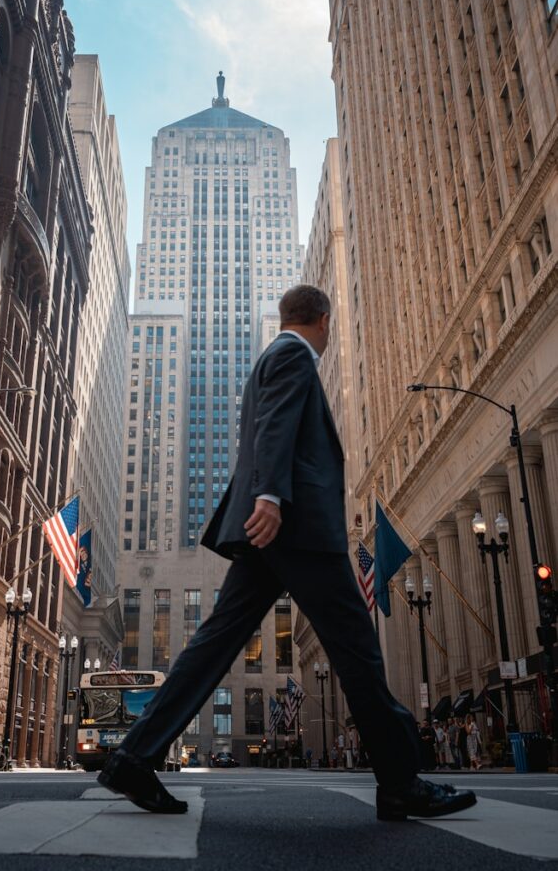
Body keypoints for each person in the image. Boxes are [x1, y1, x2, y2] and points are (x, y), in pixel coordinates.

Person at [98, 286, 476, 821]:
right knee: (356, 647)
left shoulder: (271, 358)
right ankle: (400, 780)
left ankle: (133, 757)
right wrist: (271, 497)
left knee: (214, 644)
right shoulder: (293, 355)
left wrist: (267, 500)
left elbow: (264, 428)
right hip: (295, 527)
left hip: (273, 530)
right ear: (323, 318)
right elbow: (274, 426)